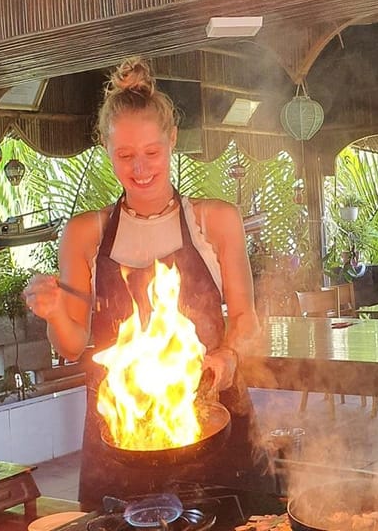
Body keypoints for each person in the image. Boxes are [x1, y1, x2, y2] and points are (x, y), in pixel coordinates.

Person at [23, 57, 264, 508]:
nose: (140, 169)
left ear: (172, 140)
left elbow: (247, 317)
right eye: (125, 155)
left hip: (210, 423)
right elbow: (73, 345)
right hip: (122, 435)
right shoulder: (85, 232)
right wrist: (54, 310)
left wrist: (229, 356)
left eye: (152, 153)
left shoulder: (214, 220)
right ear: (105, 148)